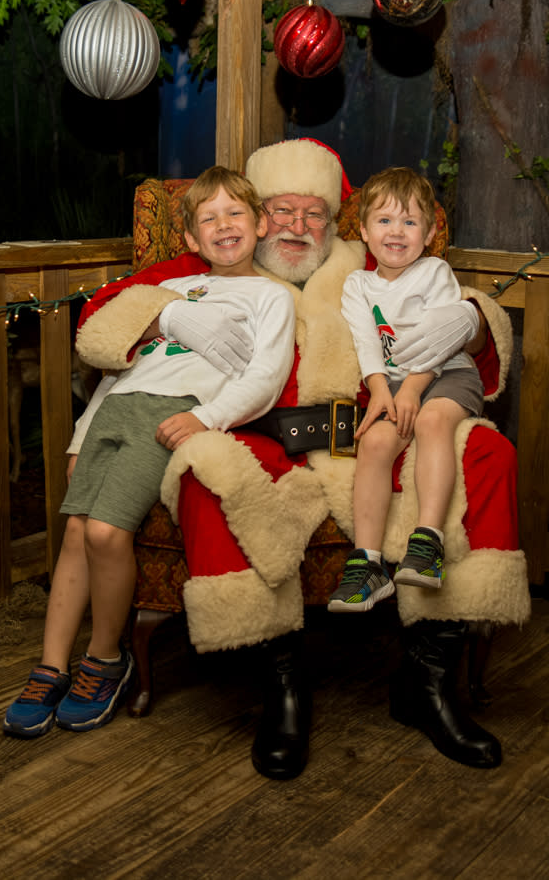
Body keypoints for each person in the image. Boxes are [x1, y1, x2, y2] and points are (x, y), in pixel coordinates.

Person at [62, 140, 530, 776]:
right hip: (256, 433)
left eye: (313, 213)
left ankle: (426, 685)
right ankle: (281, 685)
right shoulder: (214, 264)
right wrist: (171, 315)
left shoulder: (371, 259)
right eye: (281, 211)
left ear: (337, 219)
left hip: (373, 429)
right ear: (258, 214)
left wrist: (472, 323)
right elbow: (101, 315)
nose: (296, 226)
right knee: (207, 480)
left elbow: (451, 311)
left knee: (489, 454)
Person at [3, 166, 296, 738]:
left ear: (260, 224)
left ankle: (106, 658)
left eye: (235, 213)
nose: (223, 225)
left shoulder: (271, 298)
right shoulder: (172, 291)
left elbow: (265, 377)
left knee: (107, 533)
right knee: (75, 532)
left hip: (172, 414)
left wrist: (203, 418)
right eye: (207, 218)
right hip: (116, 408)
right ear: (191, 239)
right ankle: (51, 666)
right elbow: (117, 370)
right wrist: (83, 433)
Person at [328, 167, 485, 612]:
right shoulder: (358, 284)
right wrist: (380, 390)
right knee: (376, 443)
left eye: (410, 222)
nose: (396, 232)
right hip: (395, 383)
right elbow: (365, 341)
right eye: (384, 221)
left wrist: (413, 389)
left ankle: (428, 543)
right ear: (363, 230)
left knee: (434, 421)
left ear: (431, 232)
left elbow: (443, 341)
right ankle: (369, 563)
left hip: (448, 373)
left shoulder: (434, 272)